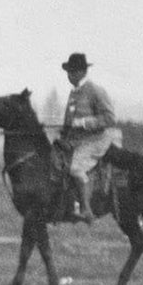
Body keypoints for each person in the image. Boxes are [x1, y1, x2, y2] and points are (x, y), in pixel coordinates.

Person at [54, 52, 116, 224]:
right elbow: (70, 123)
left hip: (95, 141)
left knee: (75, 168)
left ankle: (86, 210)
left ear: (83, 72)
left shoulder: (95, 91)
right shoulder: (74, 93)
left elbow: (110, 118)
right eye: (68, 72)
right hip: (76, 142)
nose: (69, 75)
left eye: (73, 71)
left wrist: (84, 123)